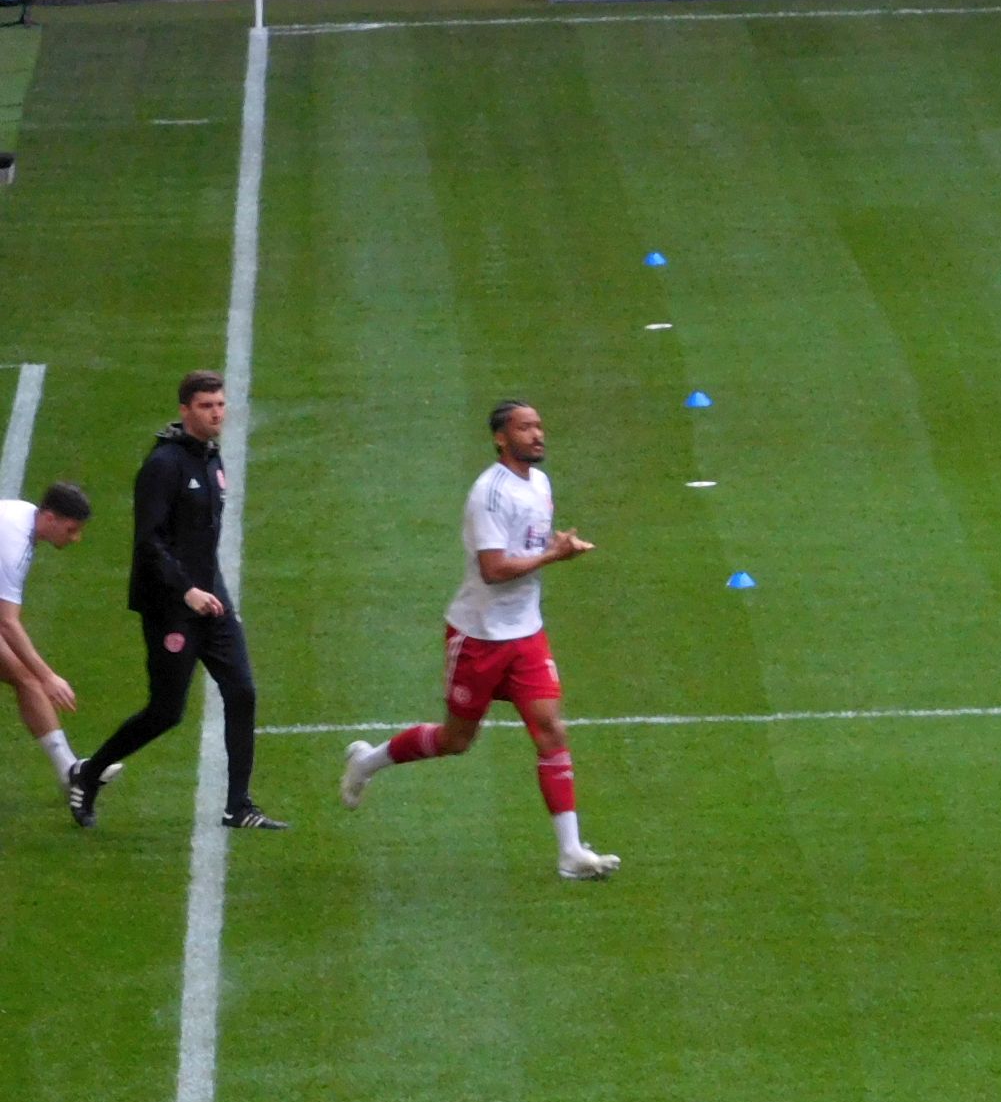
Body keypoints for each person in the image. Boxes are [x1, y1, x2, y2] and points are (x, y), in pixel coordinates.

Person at [339, 402, 619, 881]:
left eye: (538, 425)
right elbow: (493, 570)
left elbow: (529, 546)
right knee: (456, 740)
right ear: (500, 438)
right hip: (479, 637)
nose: (537, 434)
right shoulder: (487, 495)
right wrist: (552, 557)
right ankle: (368, 761)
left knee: (551, 729)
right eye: (525, 427)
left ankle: (571, 852)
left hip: (526, 635)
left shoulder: (540, 484)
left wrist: (558, 546)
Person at [69, 371, 283, 830]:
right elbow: (149, 542)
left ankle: (238, 805)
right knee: (166, 711)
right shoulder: (163, 465)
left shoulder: (211, 458)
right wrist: (187, 591)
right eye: (207, 406)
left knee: (242, 692)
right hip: (171, 603)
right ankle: (88, 775)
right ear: (186, 409)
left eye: (221, 404)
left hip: (211, 598)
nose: (217, 413)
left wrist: (210, 590)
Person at [0, 482, 124, 801]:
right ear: (50, 518)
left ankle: (70, 770)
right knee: (29, 676)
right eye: (71, 530)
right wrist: (49, 676)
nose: (75, 538)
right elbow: (8, 623)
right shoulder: (14, 545)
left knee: (24, 676)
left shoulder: (21, 521)